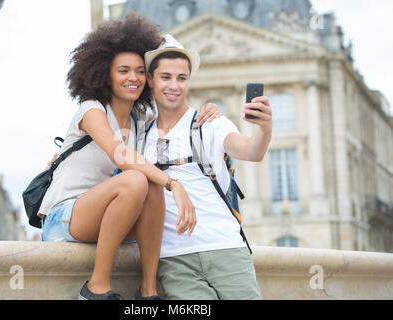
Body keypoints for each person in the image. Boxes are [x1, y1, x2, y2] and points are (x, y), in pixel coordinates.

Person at [38, 13, 221, 300]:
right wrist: (174, 184)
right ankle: (95, 287)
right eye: (123, 70)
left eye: (139, 71)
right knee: (137, 178)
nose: (133, 78)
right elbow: (121, 155)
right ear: (104, 73)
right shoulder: (92, 110)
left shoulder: (140, 119)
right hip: (65, 217)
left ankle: (148, 291)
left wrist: (210, 110)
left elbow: (177, 119)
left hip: (112, 217)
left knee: (149, 183)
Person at [140, 34, 273, 300]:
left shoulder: (209, 122)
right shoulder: (140, 134)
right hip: (175, 259)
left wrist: (265, 128)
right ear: (151, 80)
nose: (174, 86)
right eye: (166, 77)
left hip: (226, 247)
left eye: (182, 78)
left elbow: (250, 151)